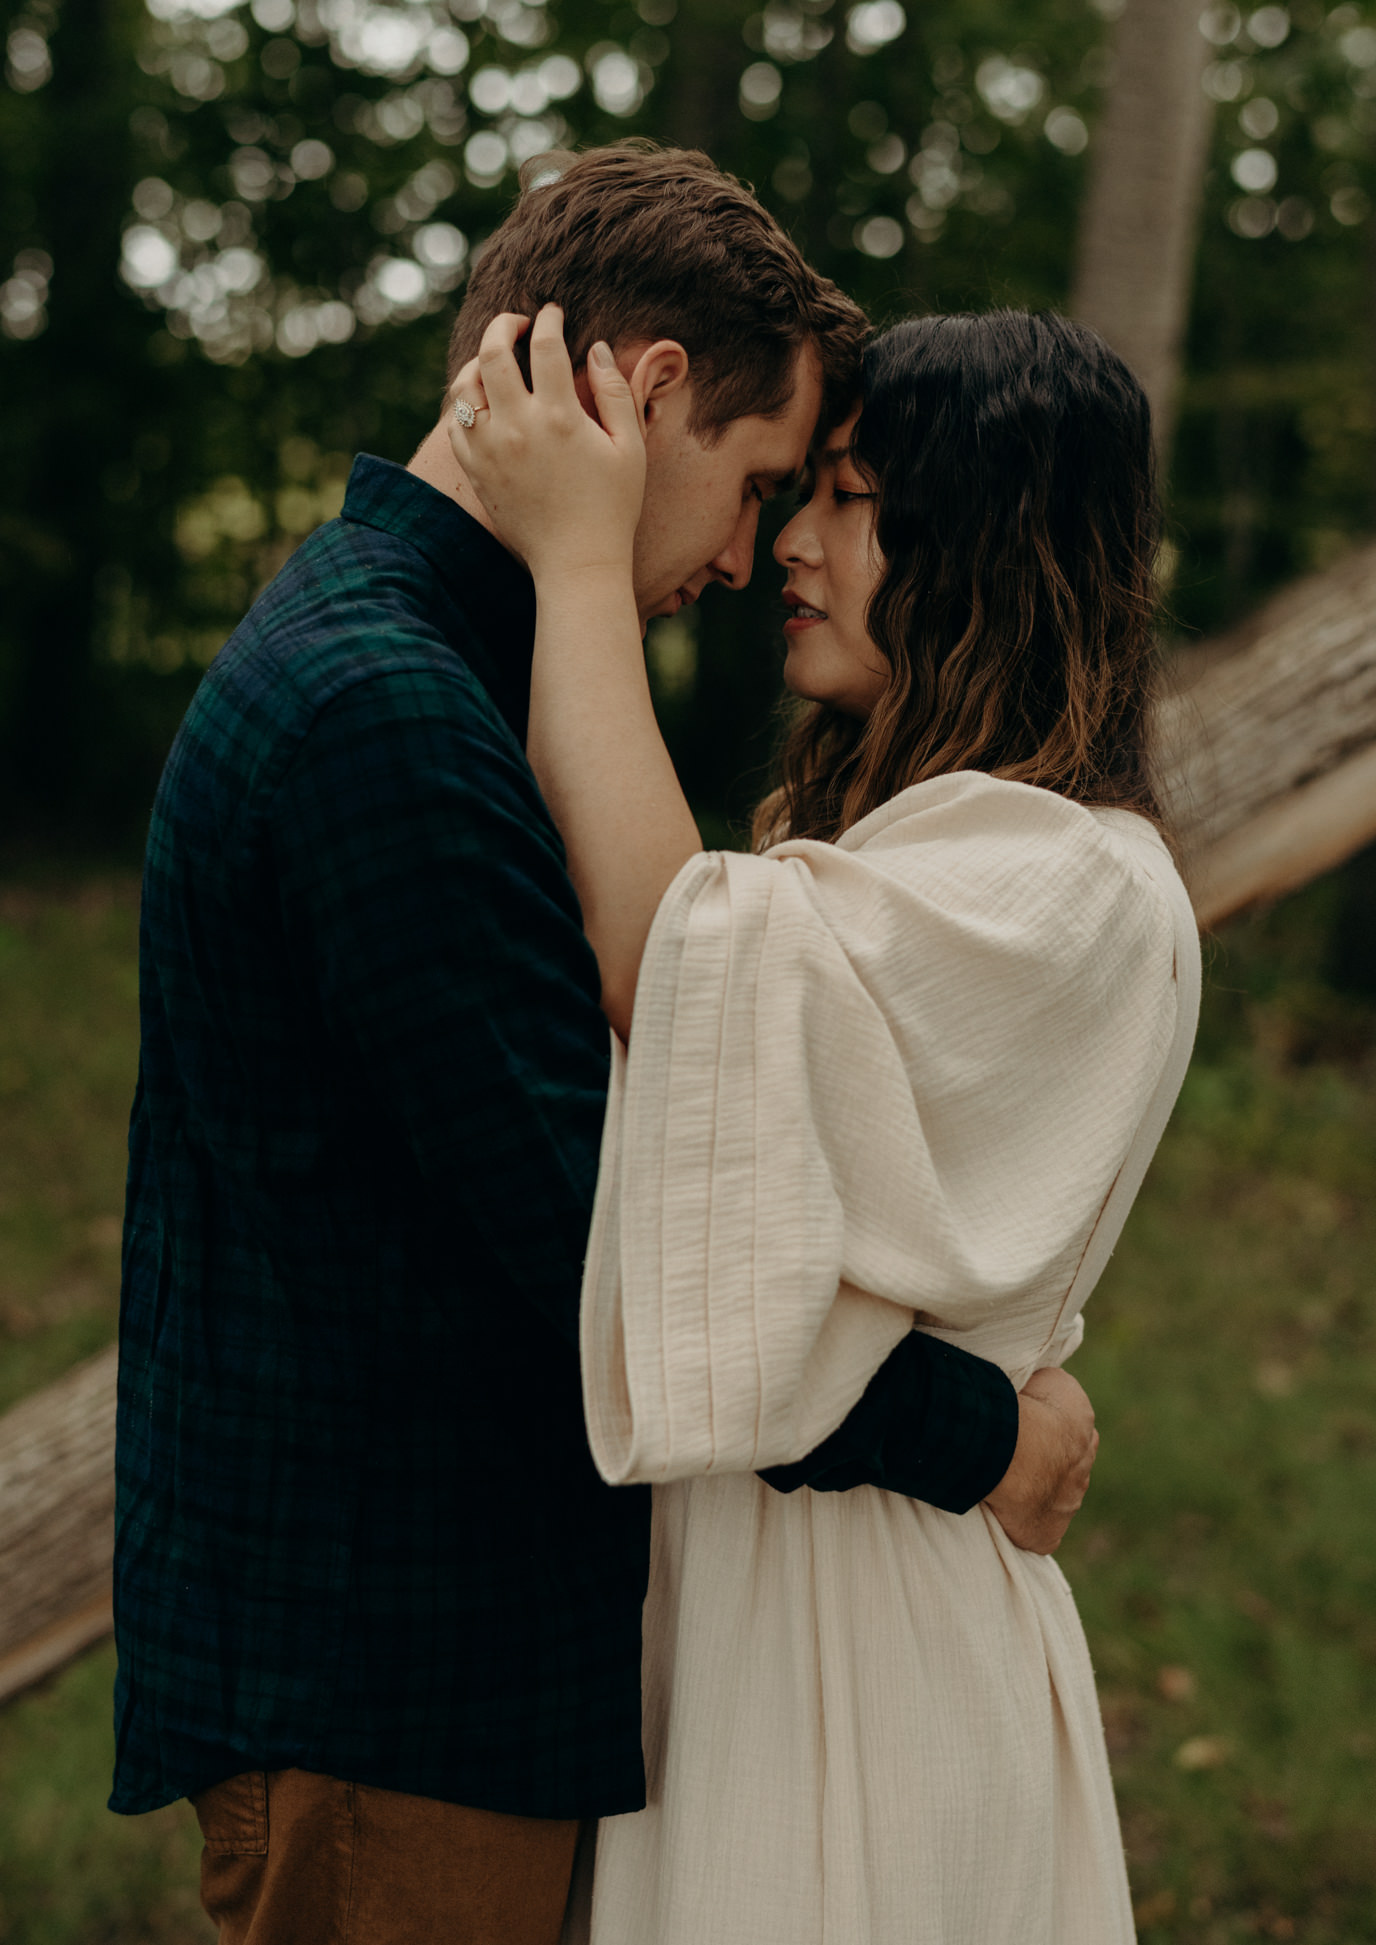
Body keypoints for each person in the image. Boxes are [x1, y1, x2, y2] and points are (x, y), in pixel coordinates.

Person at [111, 145, 1101, 1945]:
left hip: (425, 1672)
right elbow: (626, 1237)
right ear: (644, 394)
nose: (747, 555)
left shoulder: (421, 669)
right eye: (753, 483)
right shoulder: (387, 715)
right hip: (388, 1687)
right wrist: (979, 1435)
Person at [448, 299, 1202, 1944]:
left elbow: (680, 969)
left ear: (987, 539)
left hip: (866, 1641)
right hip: (743, 1610)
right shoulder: (926, 844)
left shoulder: (1068, 879)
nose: (792, 540)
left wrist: (583, 573)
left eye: (848, 497)